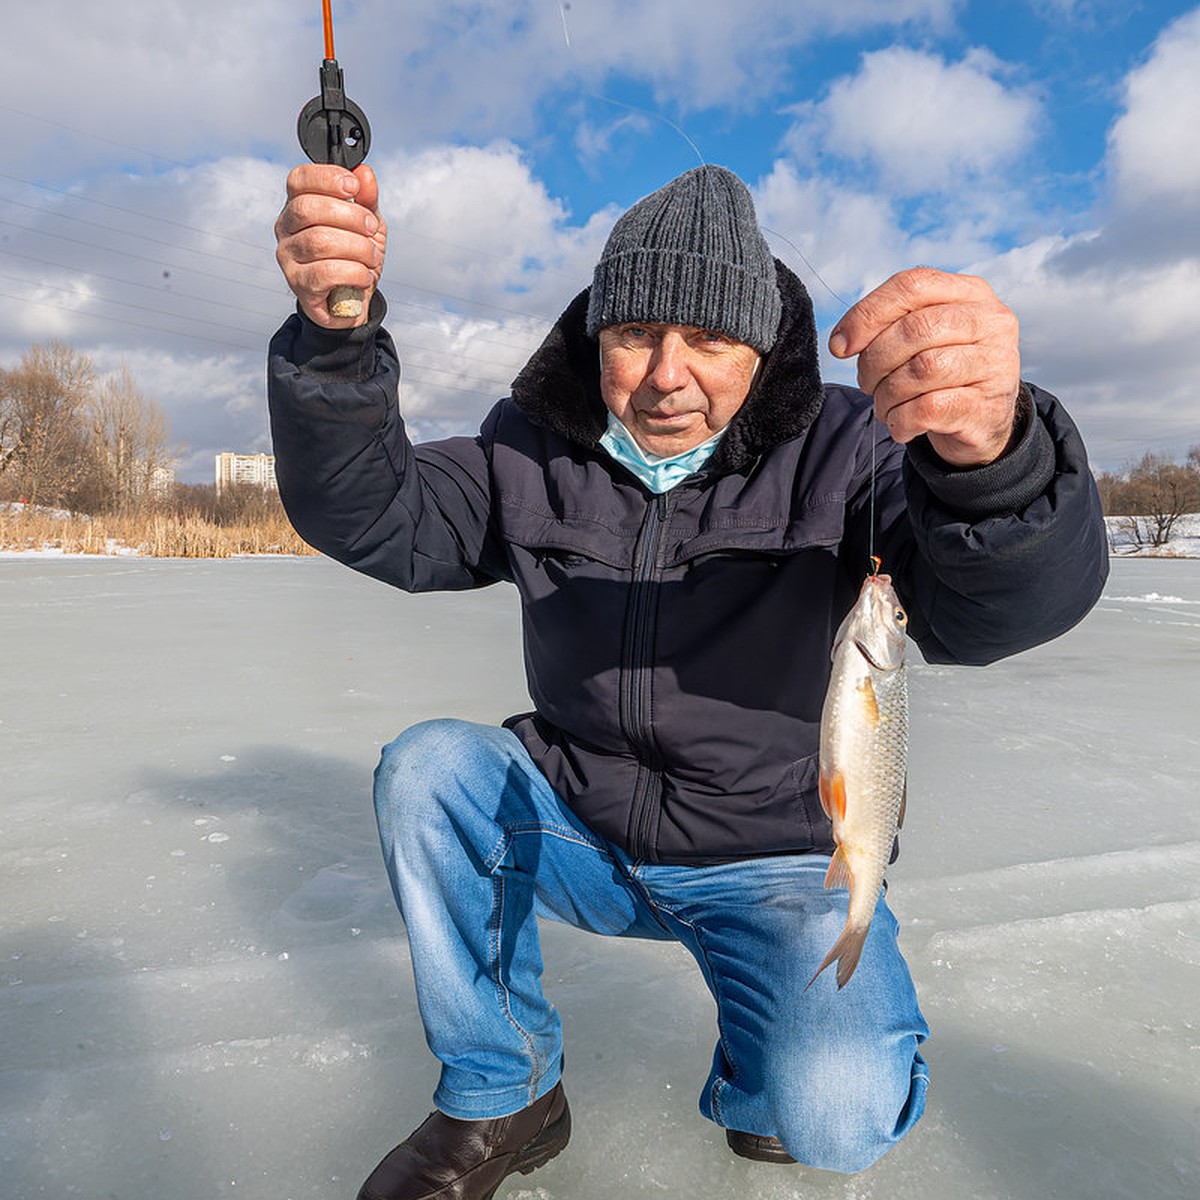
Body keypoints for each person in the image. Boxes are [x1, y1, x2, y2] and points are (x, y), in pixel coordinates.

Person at [269, 162, 1108, 1199]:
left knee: (835, 1119)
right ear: (597, 338)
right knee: (431, 769)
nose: (668, 376)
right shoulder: (530, 448)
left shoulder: (847, 450)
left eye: (709, 340)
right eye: (636, 336)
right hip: (580, 826)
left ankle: (773, 1074)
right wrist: (332, 338)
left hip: (779, 858)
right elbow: (372, 512)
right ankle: (506, 1091)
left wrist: (997, 459)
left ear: (760, 348)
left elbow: (994, 615)